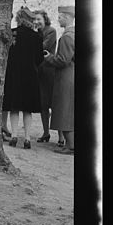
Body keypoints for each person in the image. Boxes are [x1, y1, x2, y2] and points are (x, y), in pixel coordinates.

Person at [1, 7, 43, 149]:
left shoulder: (13, 34)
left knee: (14, 107)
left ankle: (13, 136)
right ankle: (27, 138)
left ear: (19, 18)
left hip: (14, 75)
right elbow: (39, 58)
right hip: (30, 75)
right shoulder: (37, 36)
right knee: (27, 109)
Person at [44, 5, 75, 155]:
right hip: (71, 75)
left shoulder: (67, 36)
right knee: (68, 109)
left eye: (61, 16)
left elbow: (63, 60)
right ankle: (70, 144)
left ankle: (71, 146)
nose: (58, 19)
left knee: (64, 110)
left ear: (68, 17)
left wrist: (49, 57)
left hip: (66, 77)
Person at [34, 9, 64, 146]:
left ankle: (61, 137)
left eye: (39, 19)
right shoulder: (36, 33)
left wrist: (31, 43)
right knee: (43, 105)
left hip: (50, 72)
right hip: (40, 73)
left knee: (55, 104)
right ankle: (45, 133)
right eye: (34, 19)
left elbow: (43, 46)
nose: (36, 22)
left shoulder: (51, 31)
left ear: (45, 19)